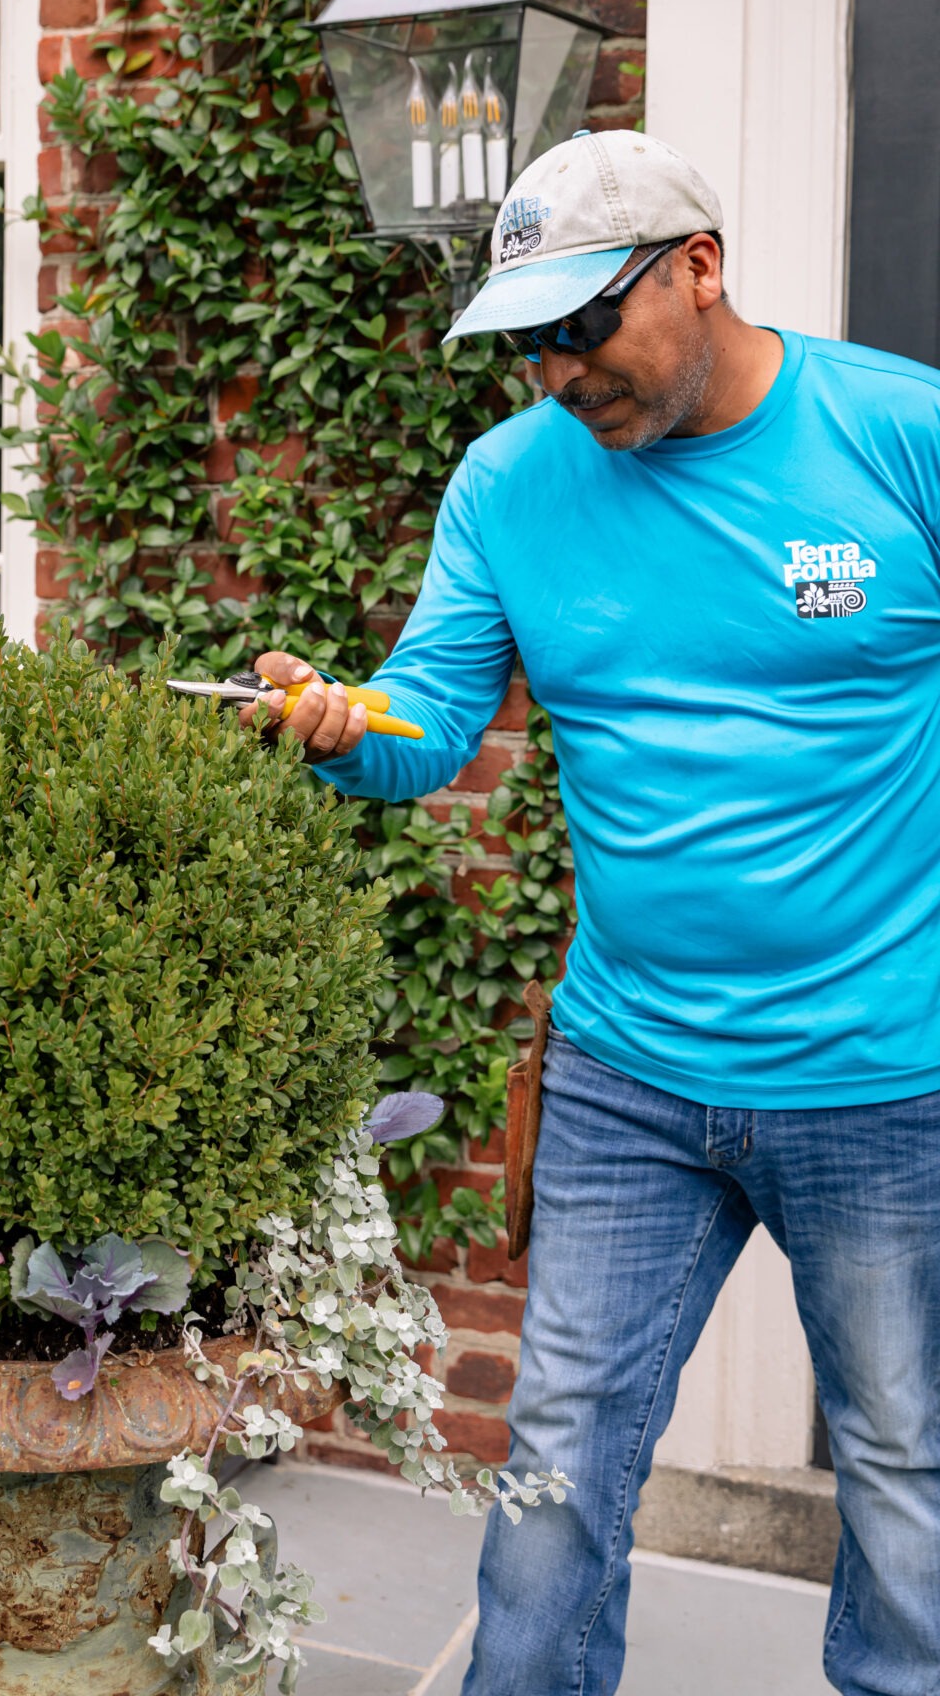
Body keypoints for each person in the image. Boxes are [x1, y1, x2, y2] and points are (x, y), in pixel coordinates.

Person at [243, 128, 940, 1696]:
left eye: (585, 325)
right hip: (628, 1074)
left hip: (887, 1079)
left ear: (698, 269)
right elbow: (427, 723)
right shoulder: (509, 485)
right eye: (530, 344)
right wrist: (347, 728)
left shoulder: (901, 437)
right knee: (554, 1468)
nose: (559, 372)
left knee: (904, 1476)